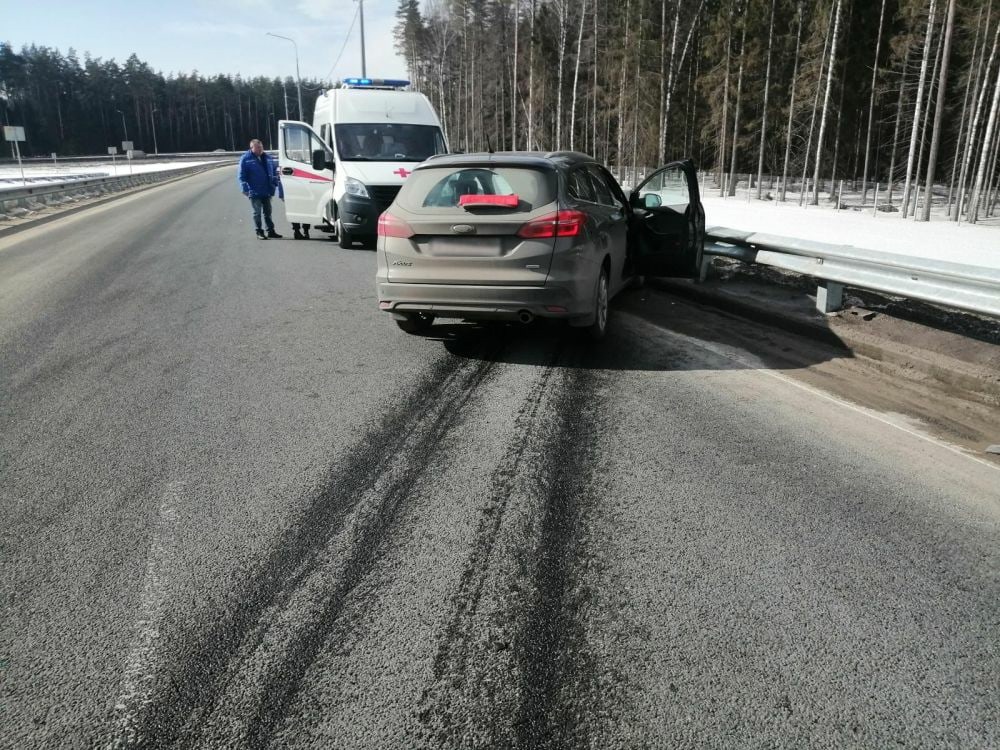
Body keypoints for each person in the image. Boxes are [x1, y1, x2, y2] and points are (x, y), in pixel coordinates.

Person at [237, 138, 282, 240]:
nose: (260, 149)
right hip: (254, 191)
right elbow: (241, 175)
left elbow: (274, 171)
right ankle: (259, 232)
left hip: (267, 190)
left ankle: (270, 231)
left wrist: (275, 183)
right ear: (251, 148)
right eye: (257, 147)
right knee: (257, 213)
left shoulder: (267, 157)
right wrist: (244, 189)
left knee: (268, 212)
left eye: (261, 147)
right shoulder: (246, 159)